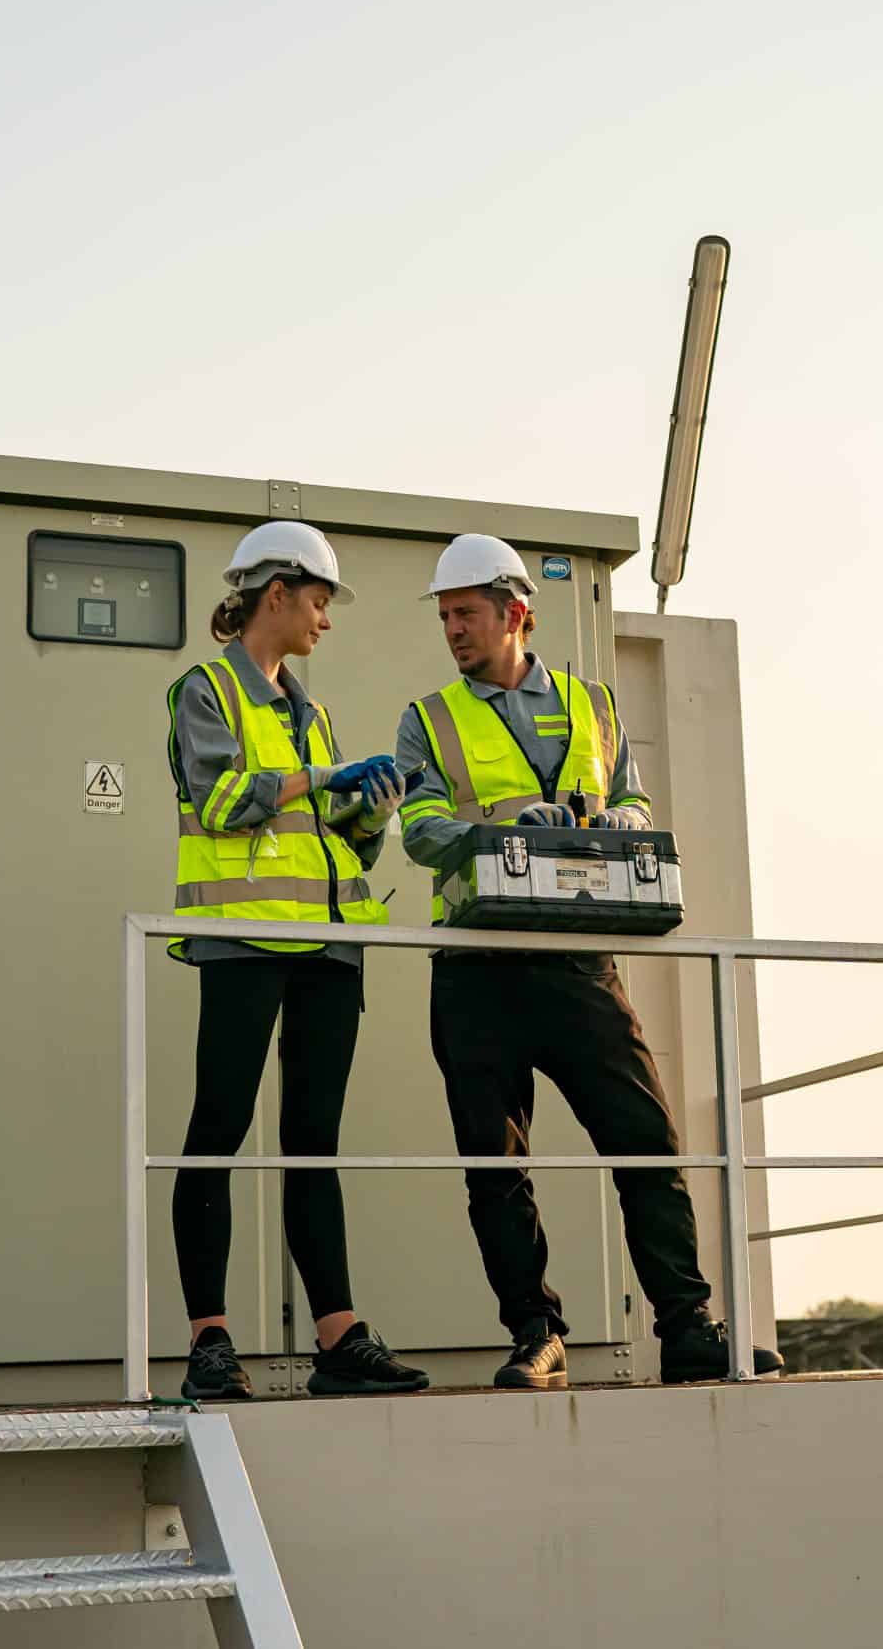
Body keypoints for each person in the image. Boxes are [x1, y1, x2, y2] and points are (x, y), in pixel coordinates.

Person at [394, 533, 785, 1388]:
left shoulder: (596, 705)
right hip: (475, 967)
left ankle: (688, 1331)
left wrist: (627, 826)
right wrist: (500, 833)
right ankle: (537, 1335)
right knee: (494, 1166)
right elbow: (420, 831)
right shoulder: (427, 720)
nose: (452, 629)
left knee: (647, 1142)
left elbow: (634, 797)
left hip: (580, 961)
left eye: (465, 613)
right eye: (445, 615)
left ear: (516, 614)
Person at [165, 520, 427, 1401]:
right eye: (319, 600)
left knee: (313, 1143)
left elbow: (331, 842)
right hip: (242, 942)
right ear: (275, 594)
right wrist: (328, 779)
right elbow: (225, 797)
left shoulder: (311, 712)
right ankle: (211, 1340)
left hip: (328, 948)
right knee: (219, 1131)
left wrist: (371, 812)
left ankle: (338, 1338)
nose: (326, 618)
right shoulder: (205, 690)